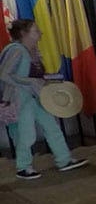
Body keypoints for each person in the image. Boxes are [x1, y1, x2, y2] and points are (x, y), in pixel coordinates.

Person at [0, 20, 88, 179]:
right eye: (35, 31)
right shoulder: (17, 50)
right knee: (26, 133)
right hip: (22, 98)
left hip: (35, 96)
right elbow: (4, 74)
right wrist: (30, 82)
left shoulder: (30, 51)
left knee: (52, 127)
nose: (40, 34)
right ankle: (23, 166)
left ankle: (64, 159)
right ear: (23, 34)